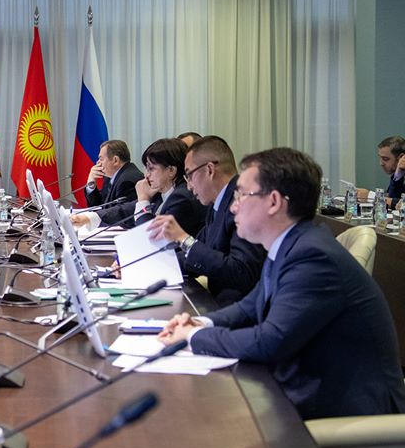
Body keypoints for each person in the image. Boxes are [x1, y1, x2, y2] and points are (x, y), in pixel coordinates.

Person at [159, 147, 405, 420]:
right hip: (306, 394)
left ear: (274, 202)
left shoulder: (312, 257)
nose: (233, 206)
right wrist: (201, 323)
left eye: (241, 195)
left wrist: (192, 337)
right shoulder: (290, 243)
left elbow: (270, 341)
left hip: (352, 416)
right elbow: (249, 307)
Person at [147, 136, 265, 305]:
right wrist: (148, 266)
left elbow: (241, 271)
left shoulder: (241, 204)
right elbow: (197, 251)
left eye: (189, 175)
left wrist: (183, 238)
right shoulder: (216, 203)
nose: (189, 186)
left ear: (209, 170)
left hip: (236, 308)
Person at [76, 138, 206, 233]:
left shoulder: (182, 197)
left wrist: (143, 199)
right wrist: (89, 218)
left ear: (171, 170)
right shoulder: (160, 192)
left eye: (151, 169)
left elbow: (151, 237)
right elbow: (125, 210)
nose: (146, 175)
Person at [81, 139, 143, 208]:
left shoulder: (127, 182)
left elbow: (118, 212)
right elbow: (98, 206)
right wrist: (91, 183)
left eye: (101, 159)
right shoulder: (110, 177)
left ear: (115, 160)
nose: (97, 162)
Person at [377, 136, 405, 205]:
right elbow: (392, 198)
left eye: (385, 159)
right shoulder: (399, 175)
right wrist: (398, 175)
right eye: (380, 158)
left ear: (401, 157)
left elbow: (400, 203)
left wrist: (370, 196)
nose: (381, 163)